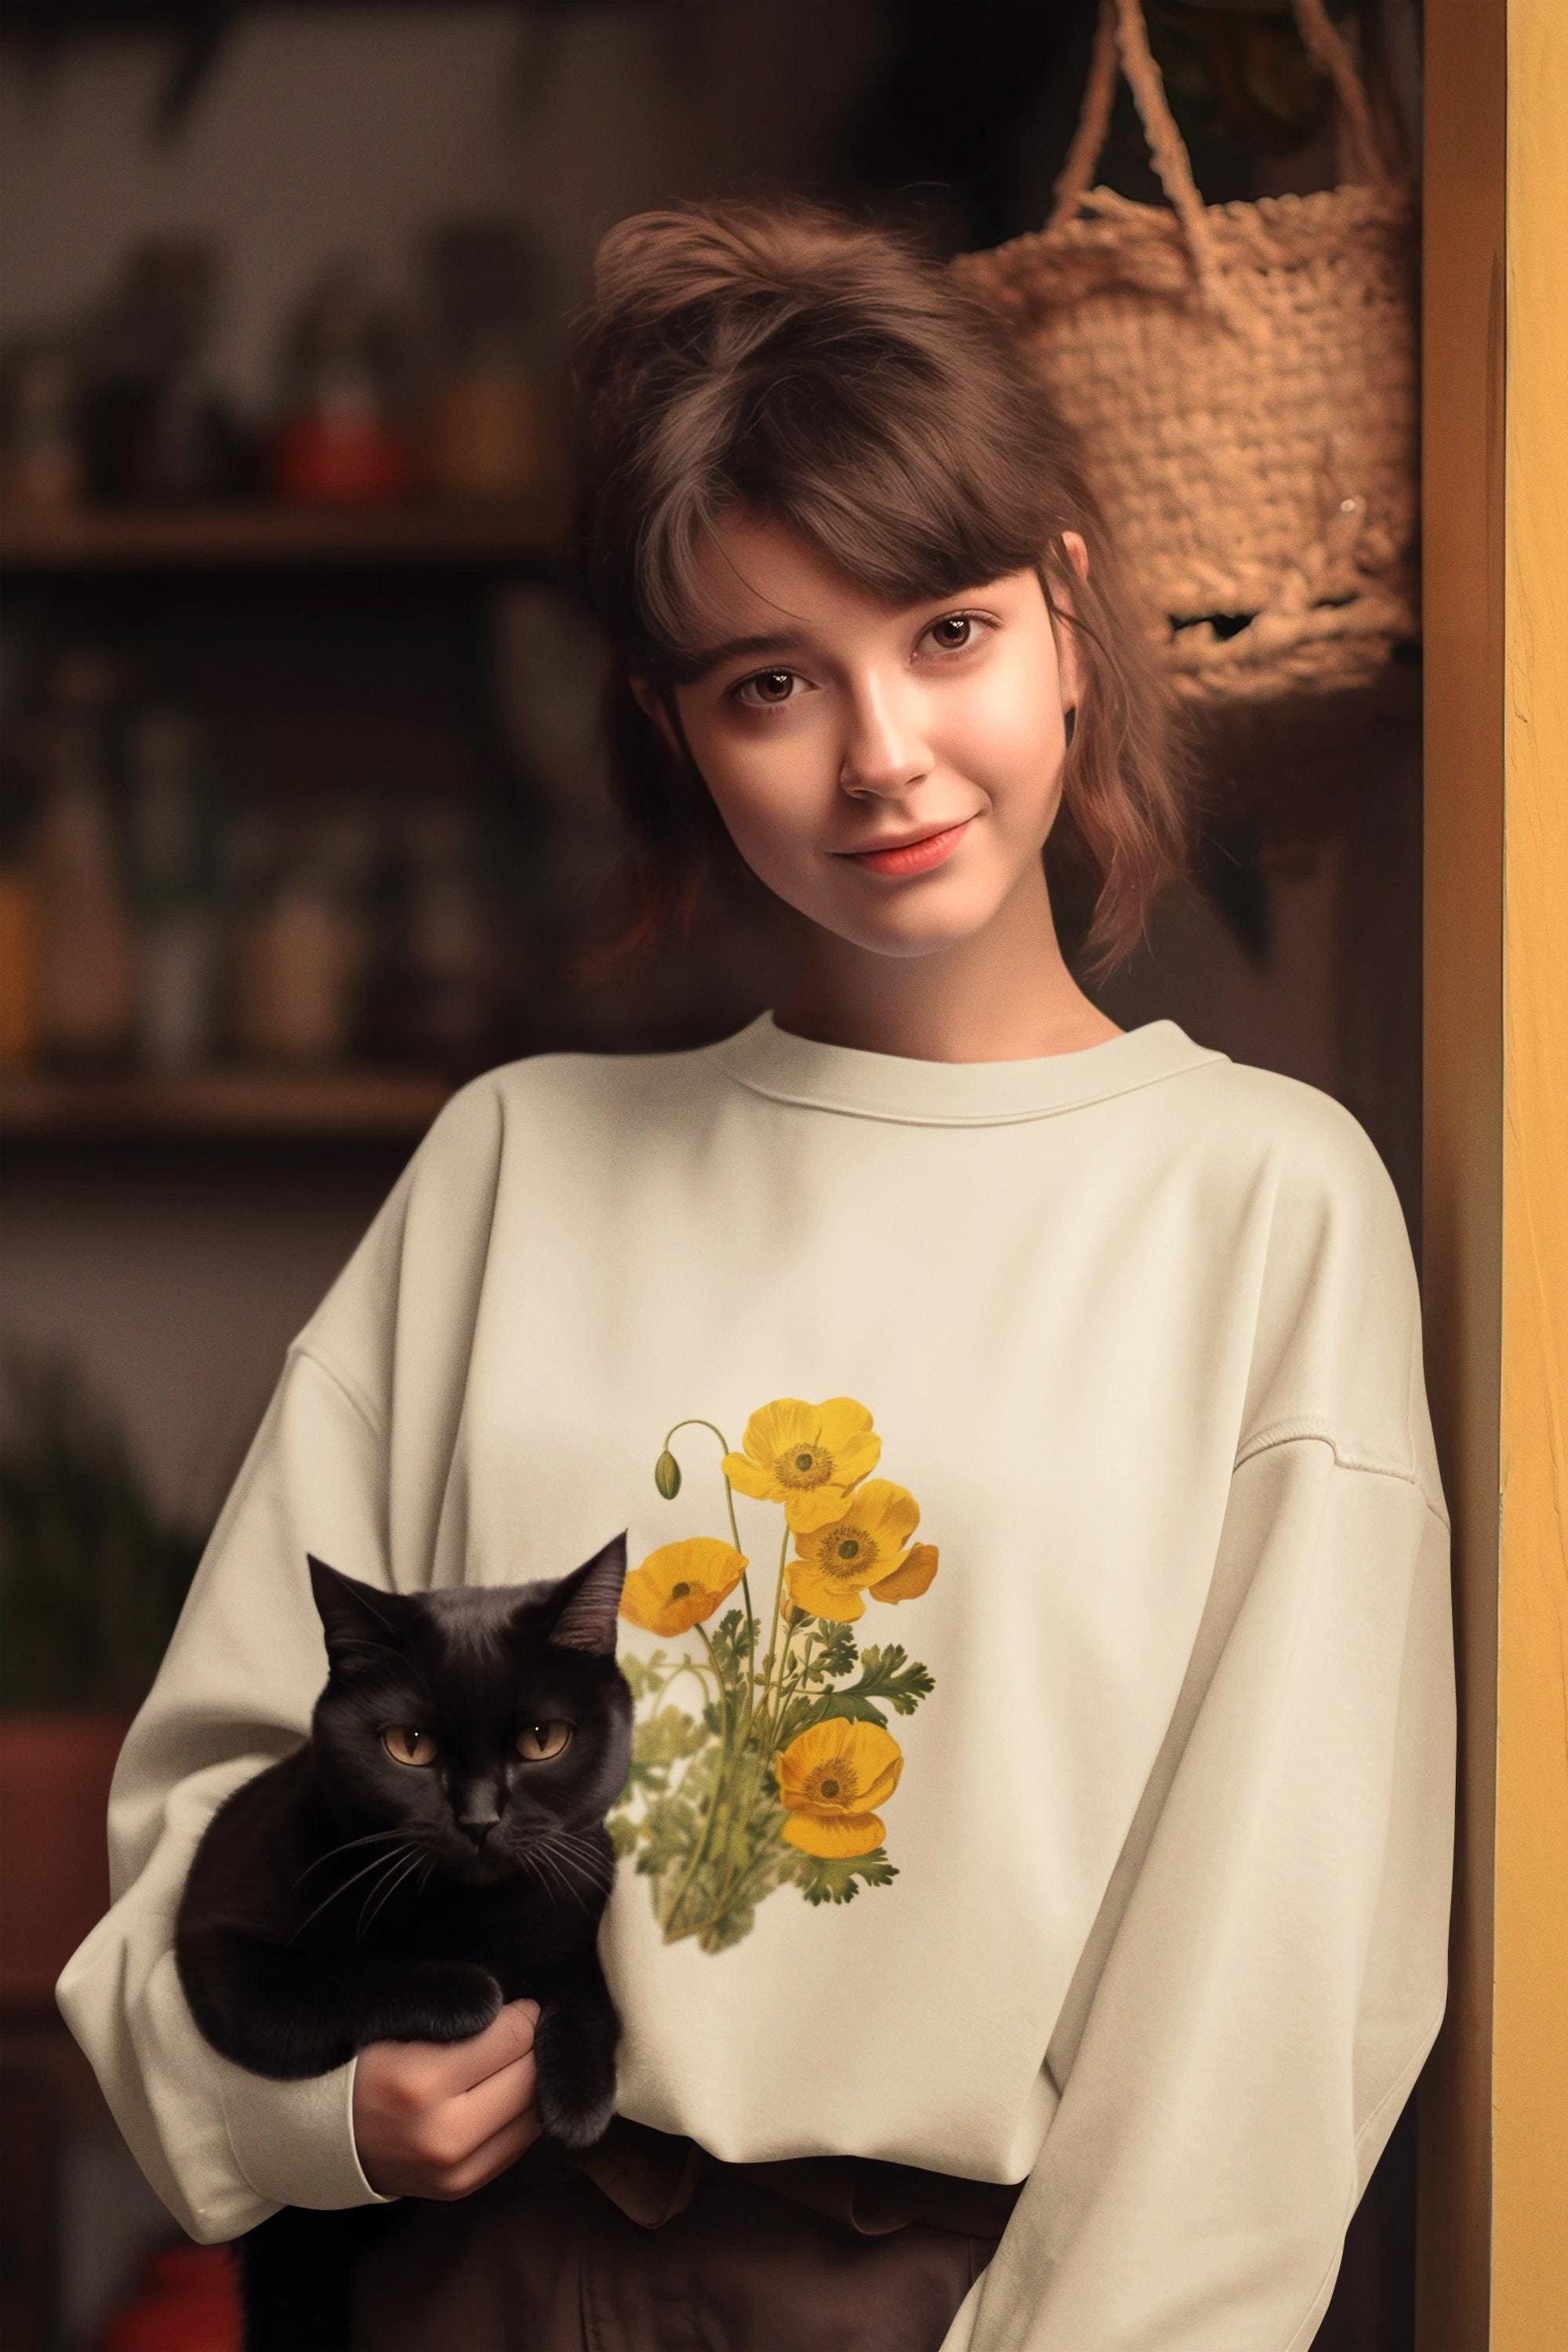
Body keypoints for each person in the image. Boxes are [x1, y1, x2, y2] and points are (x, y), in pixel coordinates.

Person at [56, 194, 1456, 2352]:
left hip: (953, 2307)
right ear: (680, 733)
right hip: (473, 2289)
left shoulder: (1260, 1204)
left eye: (948, 635)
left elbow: (1283, 1976)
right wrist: (331, 2115)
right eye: (775, 680)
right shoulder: (518, 1164)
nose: (882, 753)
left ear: (1070, 616)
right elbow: (214, 1800)